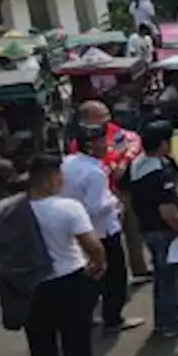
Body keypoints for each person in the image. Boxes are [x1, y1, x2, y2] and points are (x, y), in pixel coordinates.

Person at [12, 155, 107, 356]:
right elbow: (92, 245)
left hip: (31, 284)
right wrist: (98, 265)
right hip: (69, 279)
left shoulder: (12, 211)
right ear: (51, 178)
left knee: (40, 340)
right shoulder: (68, 208)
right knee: (75, 337)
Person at [60, 124, 145, 334]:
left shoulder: (67, 163)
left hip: (77, 231)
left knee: (89, 277)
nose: (106, 145)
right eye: (101, 142)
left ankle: (86, 316)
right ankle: (113, 319)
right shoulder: (95, 172)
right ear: (90, 146)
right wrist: (115, 204)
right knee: (115, 278)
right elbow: (95, 207)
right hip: (103, 231)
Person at [126, 122, 178, 338]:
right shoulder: (160, 171)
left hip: (147, 228)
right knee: (171, 278)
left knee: (161, 276)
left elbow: (125, 192)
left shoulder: (137, 164)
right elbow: (167, 210)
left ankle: (163, 320)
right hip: (164, 231)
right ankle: (172, 323)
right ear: (162, 144)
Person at [69, 101, 150, 283]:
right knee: (104, 239)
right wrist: (109, 168)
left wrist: (123, 162)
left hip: (122, 189)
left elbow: (134, 141)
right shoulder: (79, 143)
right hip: (99, 196)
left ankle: (139, 269)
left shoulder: (113, 131)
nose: (107, 120)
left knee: (133, 230)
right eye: (101, 117)